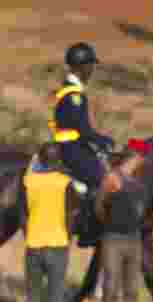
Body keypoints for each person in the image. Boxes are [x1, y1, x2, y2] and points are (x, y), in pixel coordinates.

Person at [51, 42, 115, 248]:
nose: (92, 71)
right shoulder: (74, 95)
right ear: (82, 67)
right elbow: (83, 131)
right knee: (102, 179)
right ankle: (88, 230)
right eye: (91, 66)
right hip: (72, 150)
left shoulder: (70, 90)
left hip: (73, 146)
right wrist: (104, 141)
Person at [97, 141, 152, 302]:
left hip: (133, 239)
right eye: (143, 158)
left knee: (132, 286)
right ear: (137, 157)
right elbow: (99, 207)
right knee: (111, 283)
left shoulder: (138, 180)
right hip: (114, 238)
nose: (144, 162)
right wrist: (113, 223)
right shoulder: (113, 178)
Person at [21, 143, 78, 302]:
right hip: (58, 243)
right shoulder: (66, 183)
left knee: (32, 296)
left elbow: (22, 214)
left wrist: (29, 235)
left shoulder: (28, 182)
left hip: (33, 244)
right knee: (56, 295)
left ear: (39, 159)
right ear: (59, 159)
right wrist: (68, 237)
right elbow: (71, 214)